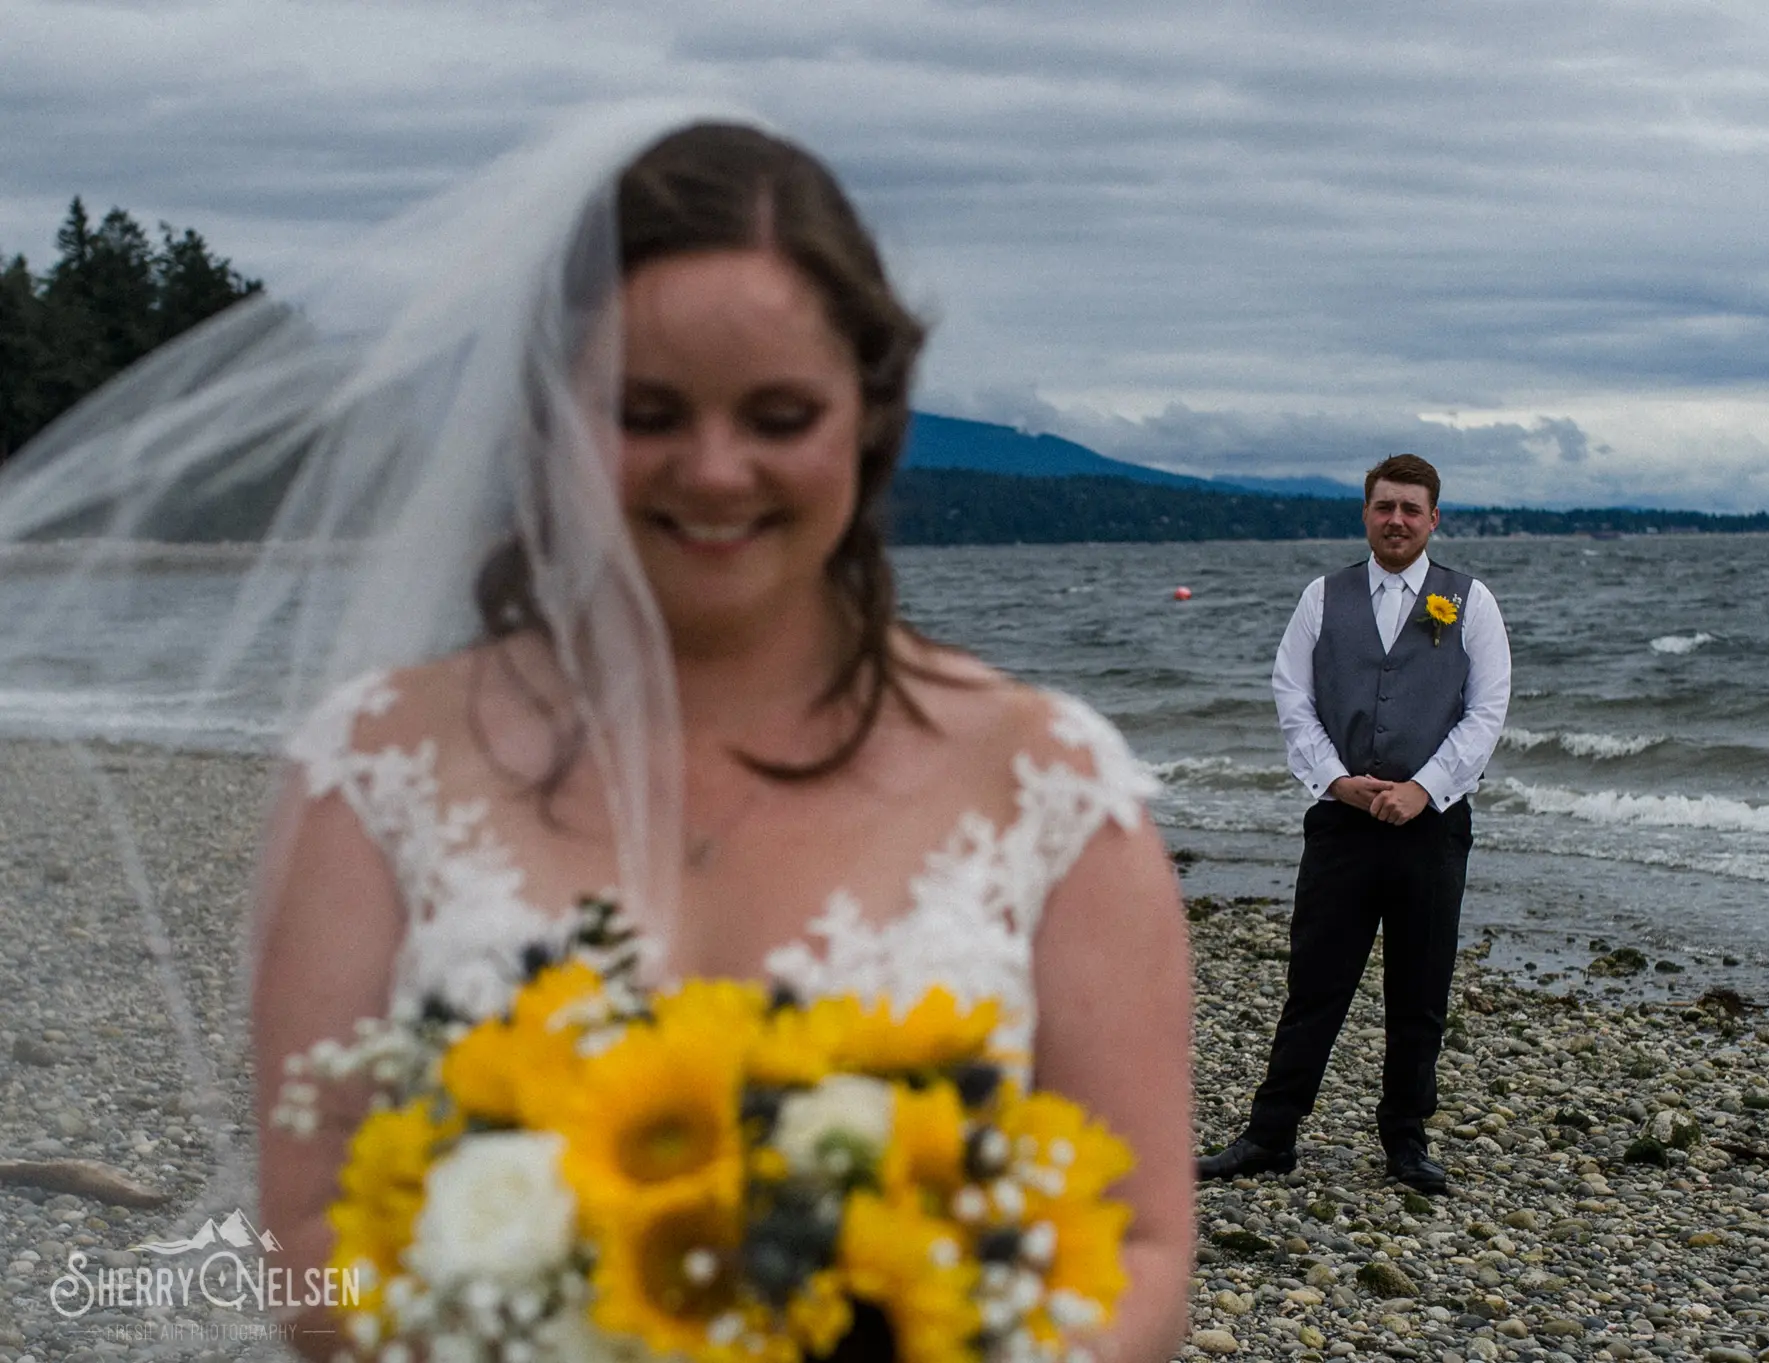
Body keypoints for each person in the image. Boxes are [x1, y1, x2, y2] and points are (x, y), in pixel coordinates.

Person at [0, 107, 1192, 1361]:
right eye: (646, 412)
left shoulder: (1045, 785)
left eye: (779, 416)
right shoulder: (376, 774)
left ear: (870, 416)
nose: (715, 470)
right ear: (548, 421)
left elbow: (1143, 1248)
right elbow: (314, 1229)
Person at [1196, 453, 1509, 1194]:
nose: (1396, 519)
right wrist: (1336, 779)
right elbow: (1291, 697)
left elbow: (1486, 712)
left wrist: (1425, 789)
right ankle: (1271, 1134)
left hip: (1430, 828)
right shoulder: (1321, 597)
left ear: (1434, 518)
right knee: (1315, 981)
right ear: (1365, 514)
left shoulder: (1472, 601)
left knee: (1419, 987)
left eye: (1410, 508)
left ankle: (1406, 1138)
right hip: (1342, 823)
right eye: (1383, 506)